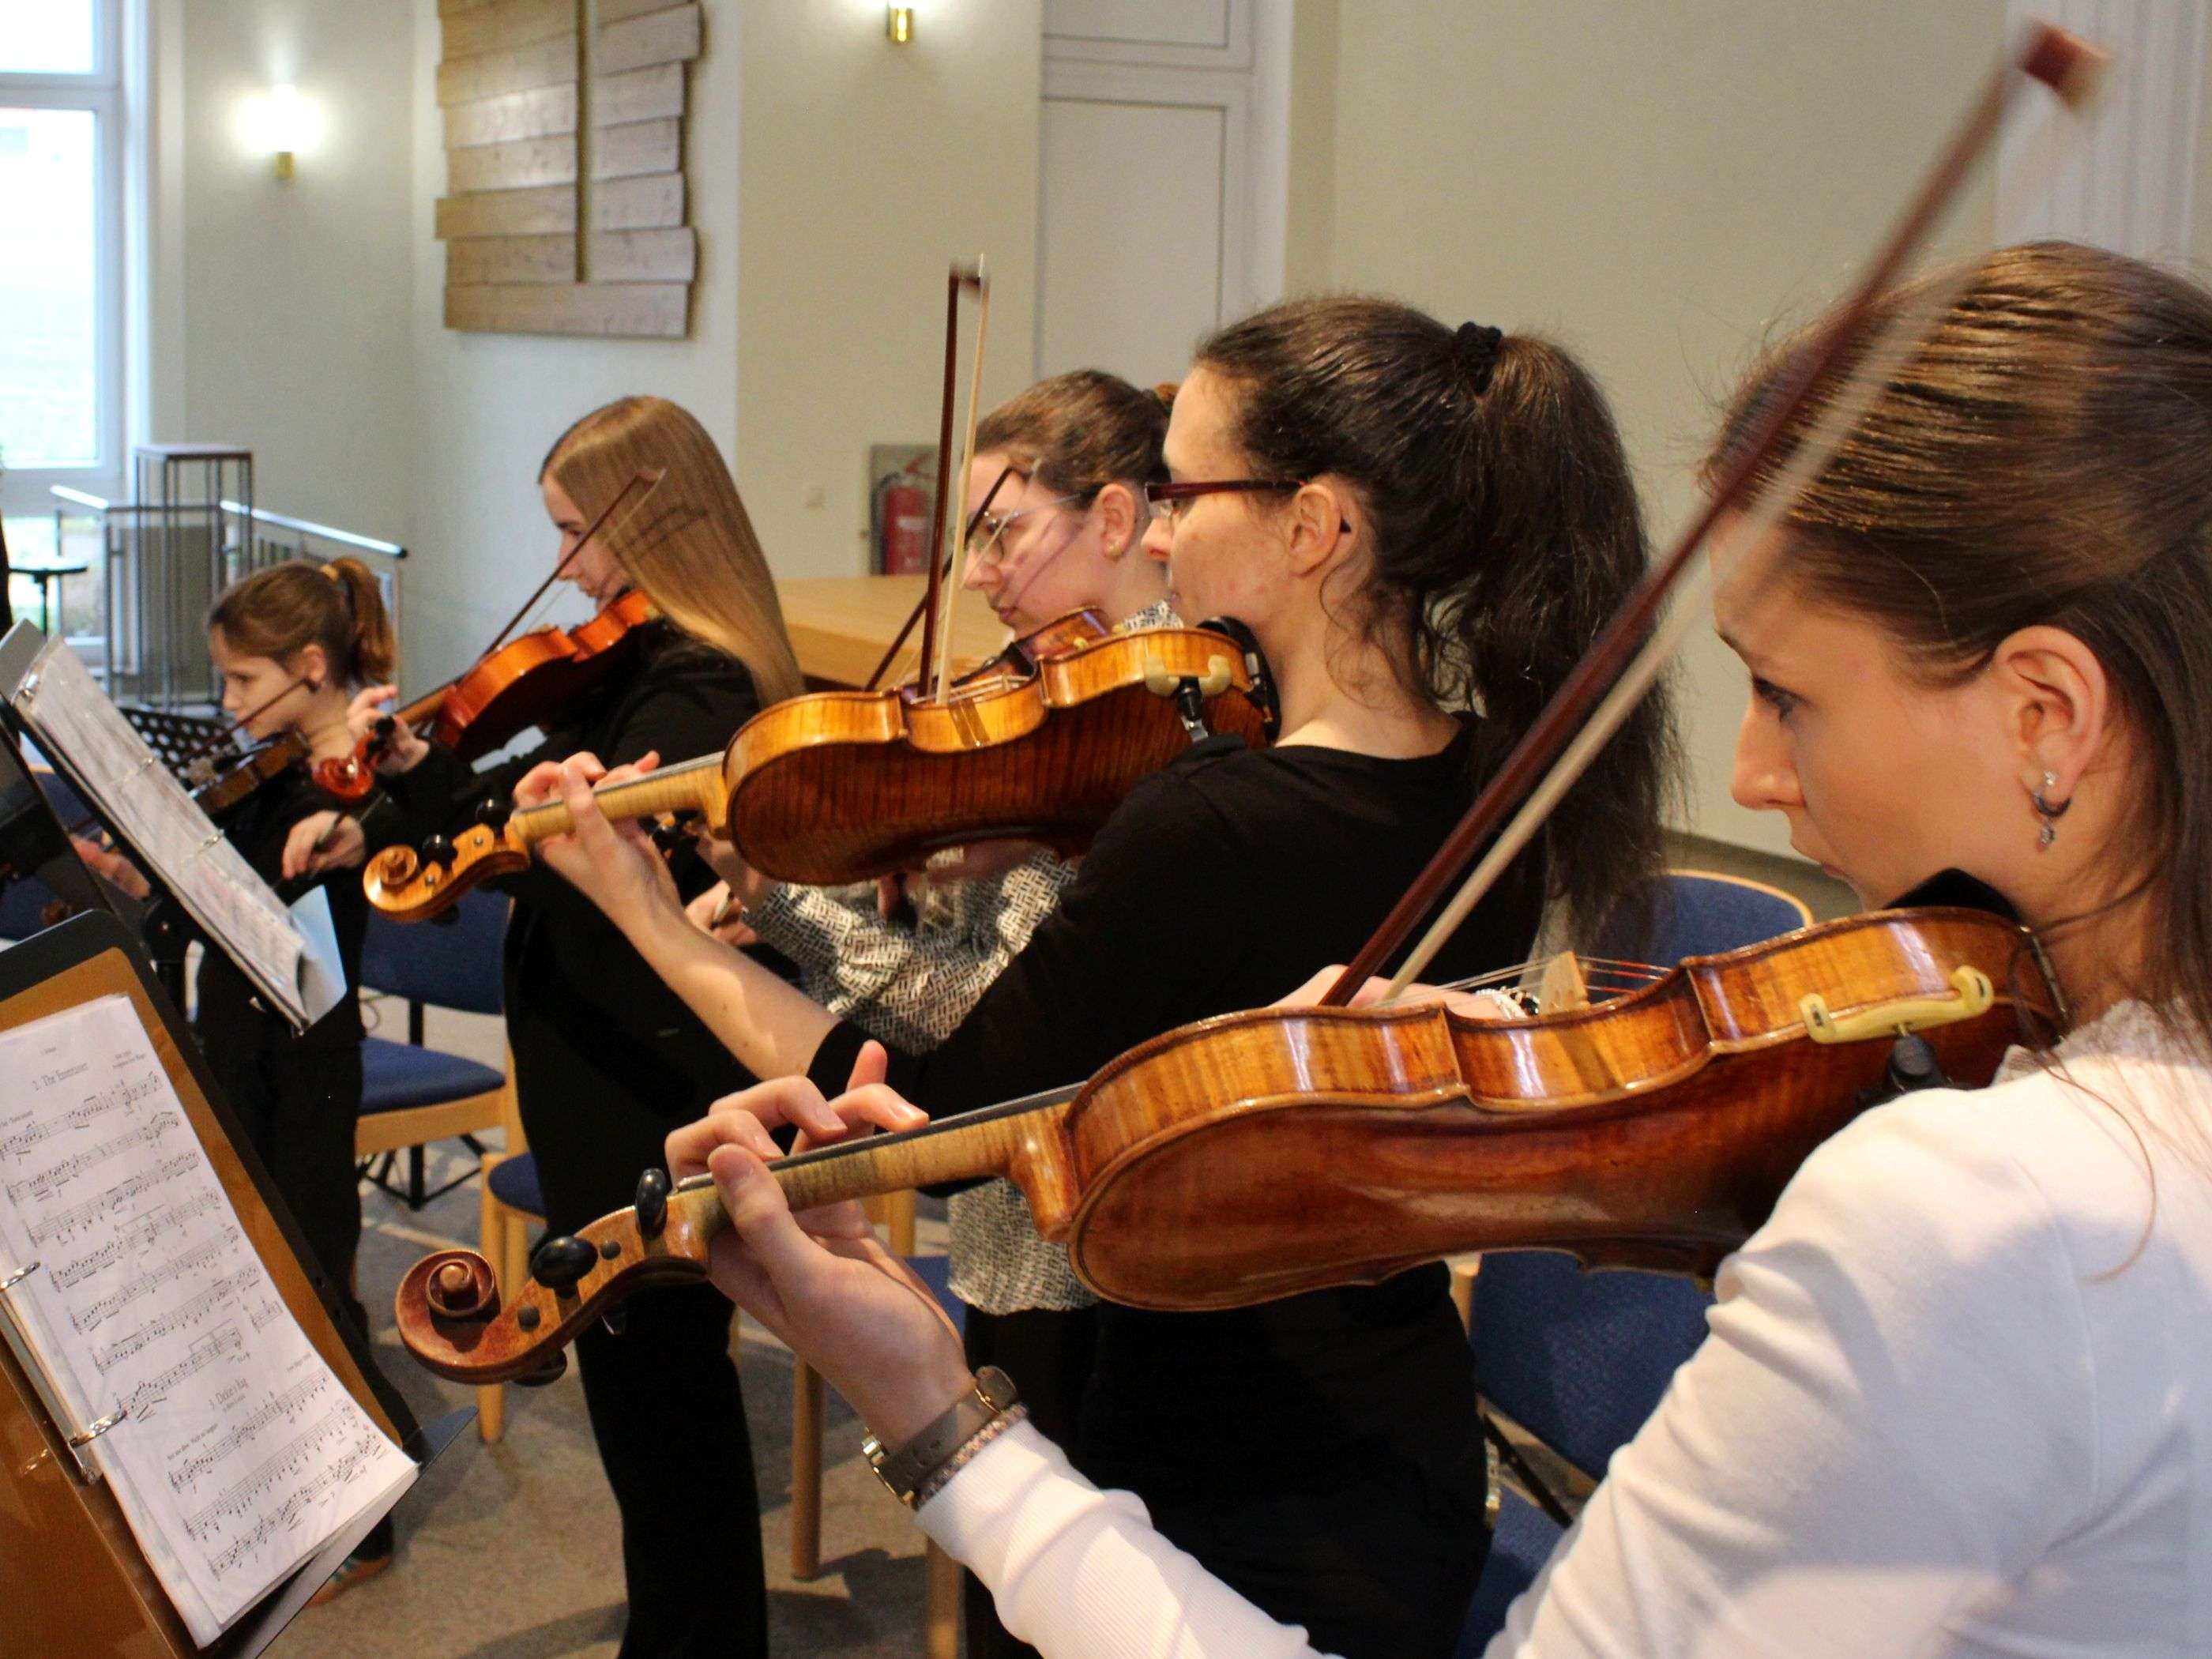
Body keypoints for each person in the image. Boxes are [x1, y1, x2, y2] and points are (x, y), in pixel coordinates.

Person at [657, 240, 2212, 1657]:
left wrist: (944, 1426)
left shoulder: (1984, 1217)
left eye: (1786, 693)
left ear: (2047, 714)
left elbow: (973, 1074)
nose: (1747, 774)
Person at [533, 299, 1678, 1656]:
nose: (1161, 535)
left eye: (1183, 495)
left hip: (1206, 1476)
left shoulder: (1212, 823)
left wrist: (654, 923)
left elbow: (937, 1117)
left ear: (1314, 528)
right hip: (1399, 1445)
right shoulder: (1501, 780)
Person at [688, 367, 1175, 1659]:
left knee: (1068, 1590)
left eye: (1004, 532)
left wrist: (799, 913)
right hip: (1014, 1229)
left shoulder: (1153, 739)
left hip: (1083, 1243)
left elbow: (980, 1028)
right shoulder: (1048, 716)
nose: (979, 575)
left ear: (1116, 517)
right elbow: (963, 955)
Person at [337, 396, 805, 1659]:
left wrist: (472, 811)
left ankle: (699, 1645)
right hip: (602, 1072)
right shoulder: (629, 671)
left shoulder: (699, 680)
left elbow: (585, 865)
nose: (564, 566)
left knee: (666, 1407)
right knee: (645, 1410)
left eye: (572, 531)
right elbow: (510, 817)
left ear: (652, 520)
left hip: (646, 1085)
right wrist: (418, 776)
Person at [75, 555, 412, 1599]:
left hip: (308, 1054)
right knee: (257, 1269)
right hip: (237, 1037)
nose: (226, 703)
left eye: (241, 681)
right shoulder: (272, 771)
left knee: (317, 1271)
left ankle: (369, 1521)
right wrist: (135, 874)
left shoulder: (354, 779)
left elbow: (288, 904)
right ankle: (281, 1491)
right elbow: (206, 908)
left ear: (311, 667)